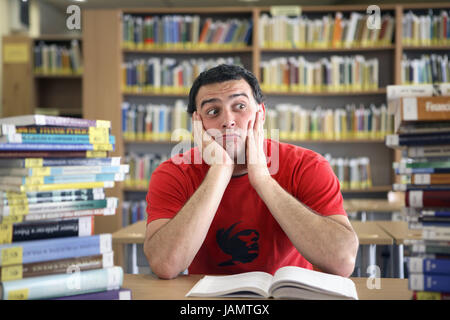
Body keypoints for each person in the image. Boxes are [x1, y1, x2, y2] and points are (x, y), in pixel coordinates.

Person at [143, 64, 359, 280]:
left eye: (239, 106)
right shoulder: (173, 173)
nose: (228, 120)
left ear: (260, 113)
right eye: (212, 111)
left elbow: (342, 261)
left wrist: (263, 179)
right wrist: (220, 169)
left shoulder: (307, 165)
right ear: (197, 124)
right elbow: (165, 265)